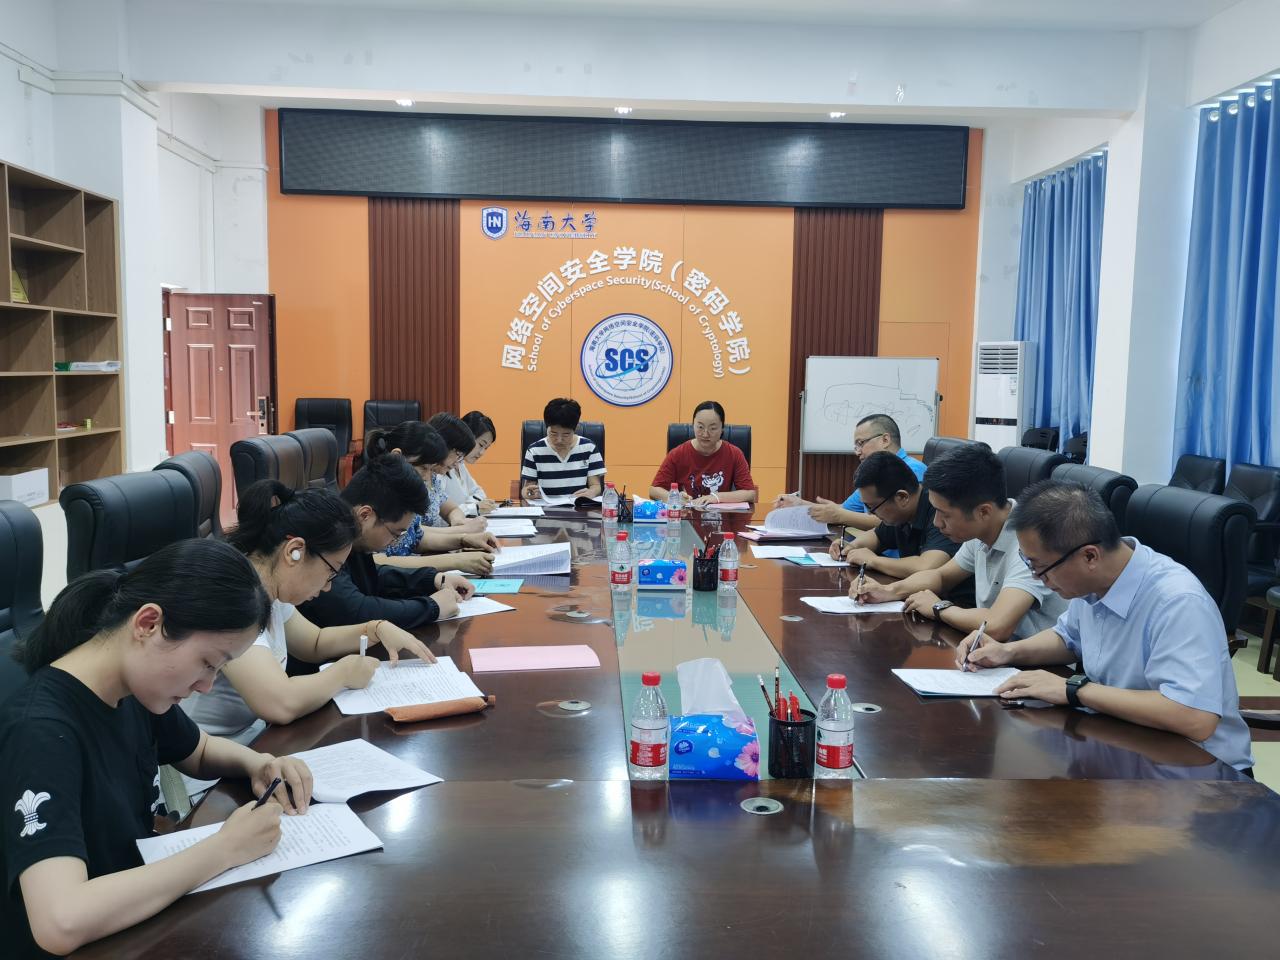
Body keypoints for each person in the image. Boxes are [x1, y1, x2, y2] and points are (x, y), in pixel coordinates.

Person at [0, 539, 314, 958]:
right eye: (208, 663)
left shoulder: (133, 689)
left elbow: (199, 751)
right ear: (148, 623)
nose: (207, 685)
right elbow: (60, 921)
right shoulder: (41, 731)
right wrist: (225, 849)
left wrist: (258, 763)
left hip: (133, 920)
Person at [957, 479, 1254, 773]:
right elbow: (1068, 637)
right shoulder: (1094, 583)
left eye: (1041, 568)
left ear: (1090, 555)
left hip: (1198, 773)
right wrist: (1007, 652)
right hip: (1125, 743)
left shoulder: (1177, 602)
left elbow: (1194, 717)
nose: (1037, 579)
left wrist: (1073, 689)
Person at [183, 480, 437, 745]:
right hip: (209, 759)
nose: (328, 586)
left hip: (253, 740)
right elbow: (280, 703)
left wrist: (375, 628)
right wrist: (343, 673)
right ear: (294, 552)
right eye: (331, 571)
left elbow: (314, 642)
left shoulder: (268, 586)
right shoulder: (235, 598)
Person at [853, 444, 1066, 639]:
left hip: (1037, 661)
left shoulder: (1029, 543)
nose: (936, 522)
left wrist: (939, 608)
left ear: (983, 512)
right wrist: (888, 591)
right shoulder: (983, 530)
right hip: (993, 651)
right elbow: (941, 576)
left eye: (944, 514)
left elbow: (998, 624)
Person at [299, 455, 475, 630]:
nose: (395, 542)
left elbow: (371, 576)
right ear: (365, 515)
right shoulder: (324, 537)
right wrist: (432, 607)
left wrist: (432, 579)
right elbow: (354, 610)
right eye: (396, 533)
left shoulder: (351, 533)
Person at [832, 451, 975, 607]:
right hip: (928, 602)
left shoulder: (939, 509)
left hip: (958, 606)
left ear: (902, 497)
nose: (871, 514)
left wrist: (873, 560)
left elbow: (928, 566)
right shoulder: (901, 514)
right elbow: (877, 536)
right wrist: (851, 547)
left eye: (873, 507)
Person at [365, 421, 499, 576]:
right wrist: (456, 559)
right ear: (397, 456)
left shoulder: (404, 491)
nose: (427, 477)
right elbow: (375, 561)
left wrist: (463, 540)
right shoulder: (378, 491)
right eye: (424, 468)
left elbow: (415, 537)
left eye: (431, 469)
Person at [774, 414, 925, 531]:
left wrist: (839, 515)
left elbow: (889, 520)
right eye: (856, 446)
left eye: (861, 443)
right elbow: (844, 510)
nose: (857, 452)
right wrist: (800, 504)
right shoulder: (874, 474)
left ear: (885, 440)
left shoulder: (912, 470)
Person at [649, 401, 757, 508]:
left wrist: (716, 497)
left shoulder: (734, 454)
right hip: (687, 516)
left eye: (712, 428)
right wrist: (675, 498)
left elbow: (750, 494)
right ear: (693, 425)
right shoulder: (678, 454)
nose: (705, 434)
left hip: (721, 516)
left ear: (722, 429)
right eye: (700, 427)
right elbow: (654, 490)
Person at [521, 397, 606, 500]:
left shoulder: (589, 448)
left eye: (566, 434)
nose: (559, 440)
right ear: (547, 427)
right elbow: (526, 489)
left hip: (578, 506)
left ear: (575, 428)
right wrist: (529, 493)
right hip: (546, 507)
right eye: (553, 433)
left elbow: (595, 486)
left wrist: (592, 492)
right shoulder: (534, 451)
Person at [443, 410, 498, 514]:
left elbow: (479, 492)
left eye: (486, 448)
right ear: (467, 435)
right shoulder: (440, 467)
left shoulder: (460, 463)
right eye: (481, 445)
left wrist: (469, 506)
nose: (482, 453)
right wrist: (474, 507)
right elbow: (440, 513)